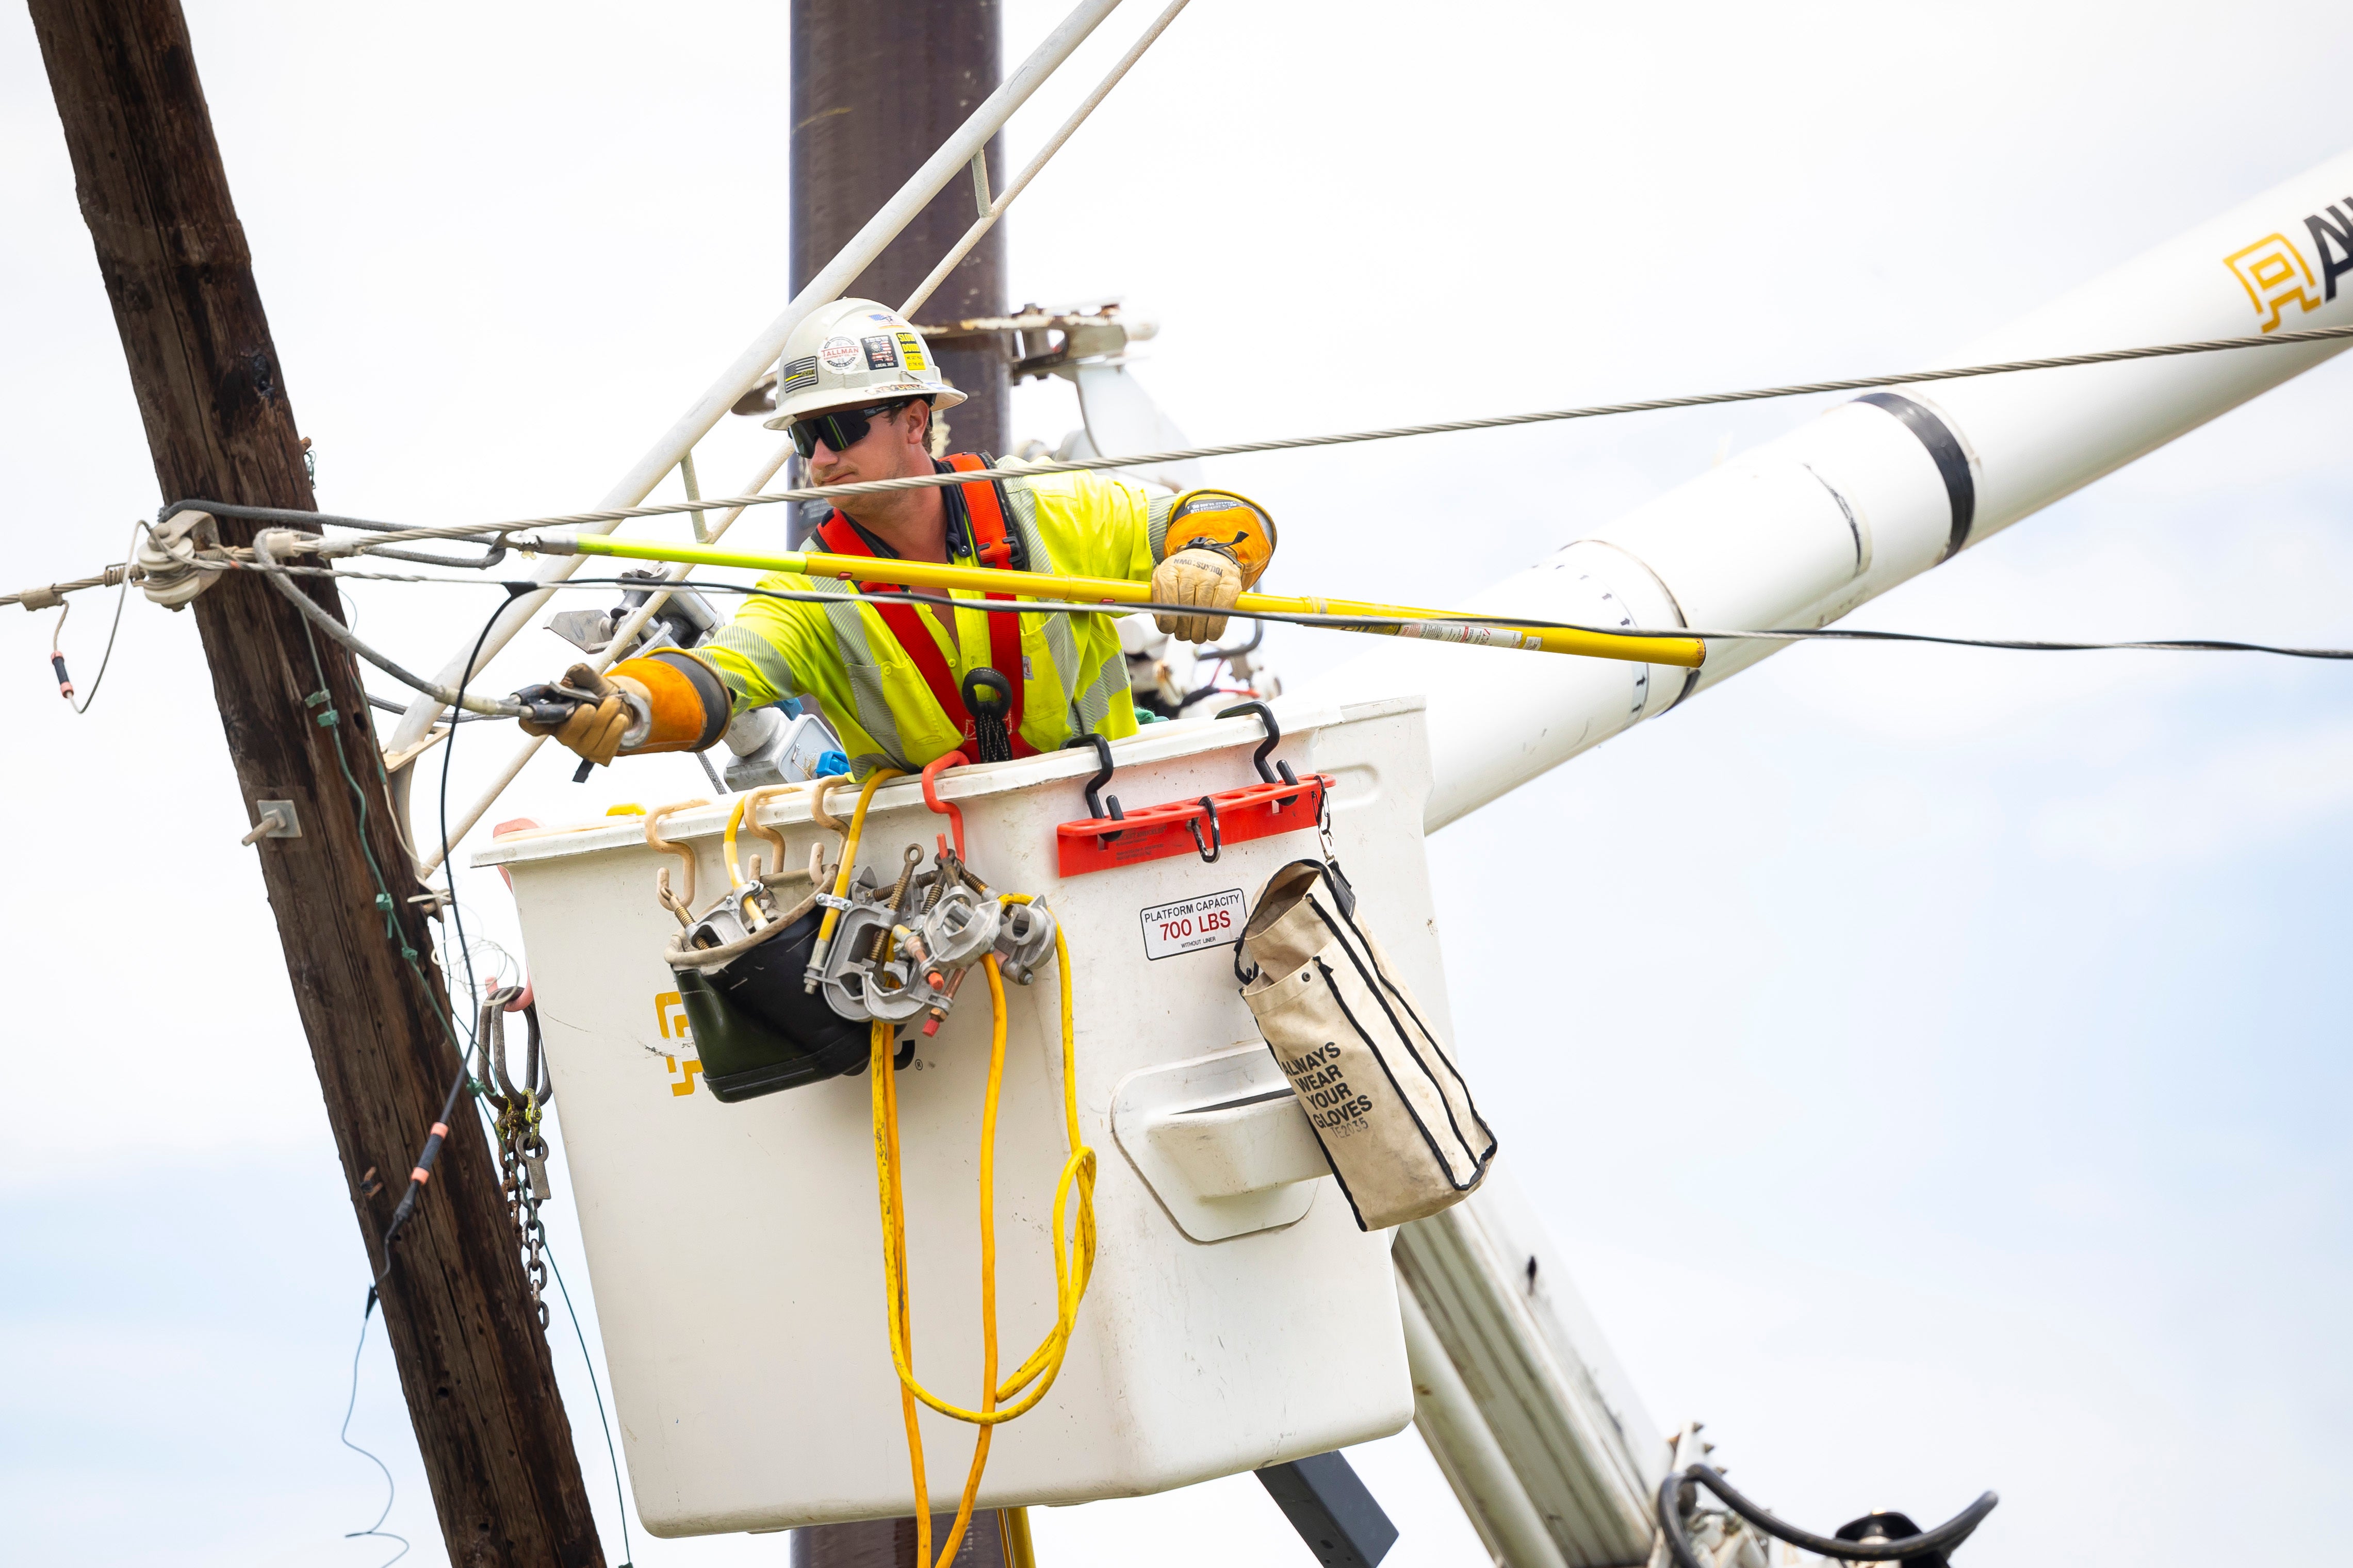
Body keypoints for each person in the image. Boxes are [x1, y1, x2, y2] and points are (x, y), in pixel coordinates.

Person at [521, 298, 1274, 778]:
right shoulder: (813, 591)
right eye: (804, 438)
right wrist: (630, 704)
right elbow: (718, 677)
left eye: (837, 429)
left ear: (915, 421)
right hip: (939, 885)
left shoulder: (1046, 511)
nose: (818, 459)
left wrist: (1209, 554)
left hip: (1104, 823)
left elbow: (1211, 512)